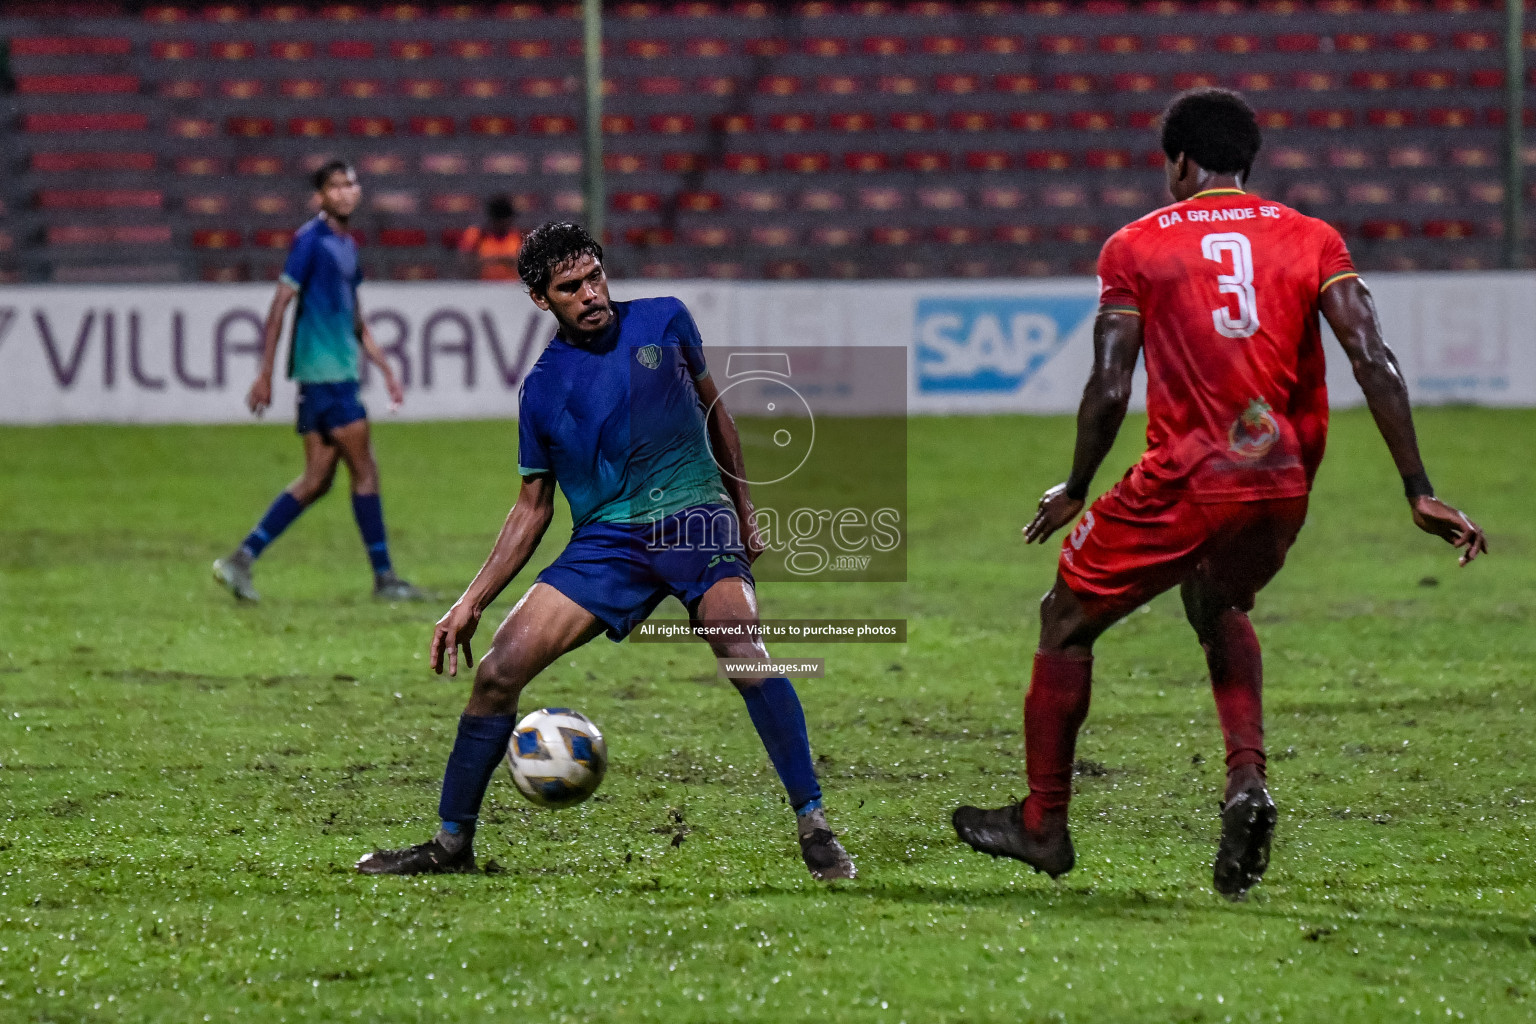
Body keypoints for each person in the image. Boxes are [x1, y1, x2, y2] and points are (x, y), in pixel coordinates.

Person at [952, 89, 1488, 899]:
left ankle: (1043, 823)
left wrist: (1079, 484)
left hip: (1188, 478)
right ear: (1247, 162)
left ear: (1179, 163)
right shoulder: (1314, 238)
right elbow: (1372, 358)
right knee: (1216, 603)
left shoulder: (1135, 246)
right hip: (1282, 484)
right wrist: (1419, 488)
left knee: (1064, 619)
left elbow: (1107, 384)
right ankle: (1246, 781)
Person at [356, 221, 856, 880]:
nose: (591, 294)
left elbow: (718, 414)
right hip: (606, 542)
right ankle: (452, 845)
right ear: (542, 298)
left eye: (595, 277)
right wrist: (471, 600)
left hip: (692, 516)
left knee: (742, 646)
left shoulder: (666, 320)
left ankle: (813, 823)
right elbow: (533, 506)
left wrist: (744, 510)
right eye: (571, 287)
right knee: (496, 674)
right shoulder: (542, 388)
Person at [212, 160, 427, 603]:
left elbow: (354, 318)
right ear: (321, 195)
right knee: (364, 471)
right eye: (336, 185)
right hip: (327, 378)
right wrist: (265, 374)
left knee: (316, 480)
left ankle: (241, 559)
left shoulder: (348, 244)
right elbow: (279, 305)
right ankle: (385, 578)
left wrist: (386, 370)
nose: (347, 191)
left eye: (351, 183)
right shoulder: (311, 241)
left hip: (328, 378)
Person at [456, 194, 522, 281]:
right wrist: (493, 260)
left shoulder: (517, 236)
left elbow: (525, 265)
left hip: (510, 287)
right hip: (482, 287)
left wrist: (507, 261)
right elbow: (463, 264)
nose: (507, 224)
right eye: (503, 221)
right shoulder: (477, 235)